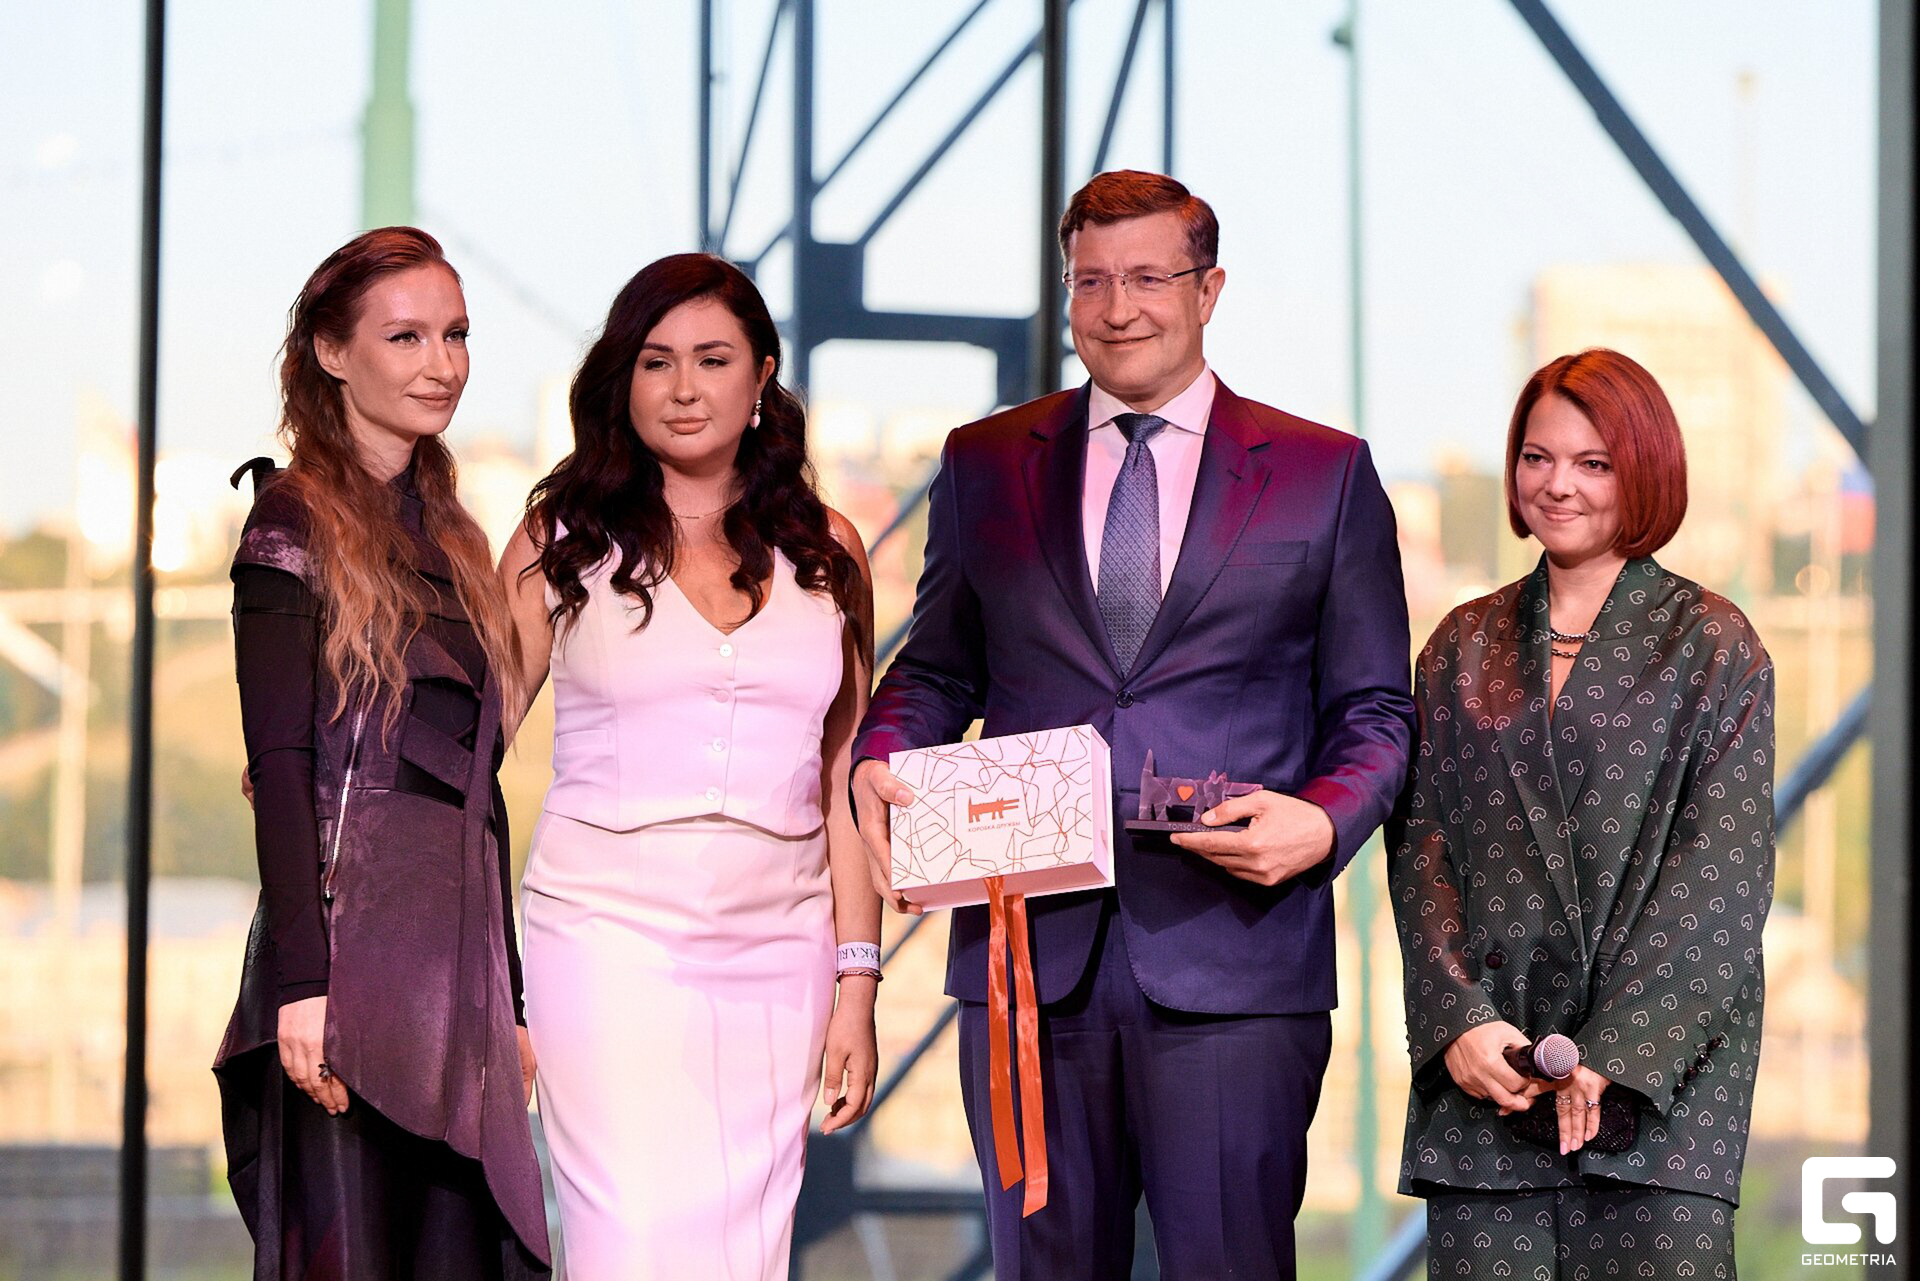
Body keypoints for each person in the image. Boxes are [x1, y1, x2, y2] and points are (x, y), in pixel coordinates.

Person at [850, 170, 1415, 1278]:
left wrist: (1321, 822)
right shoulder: (983, 462)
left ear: (1209, 289)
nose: (1118, 309)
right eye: (1091, 282)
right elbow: (939, 670)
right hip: (1026, 958)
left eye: (1149, 278)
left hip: (1237, 957)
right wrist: (882, 752)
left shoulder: (1325, 473)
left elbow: (1374, 710)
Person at [498, 253, 881, 1281]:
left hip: (781, 952)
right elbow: (465, 744)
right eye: (656, 360)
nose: (683, 387)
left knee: (745, 1252)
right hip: (601, 939)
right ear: (621, 381)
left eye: (712, 359)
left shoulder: (829, 550)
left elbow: (845, 780)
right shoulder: (557, 542)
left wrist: (857, 979)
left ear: (761, 378)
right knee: (627, 1242)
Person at [1388, 347, 1774, 1274]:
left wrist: (1615, 1051)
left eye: (1592, 463)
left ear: (1644, 472)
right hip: (1493, 1088)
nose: (1558, 484)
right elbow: (1420, 847)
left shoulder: (1714, 644)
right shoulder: (1460, 643)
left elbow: (1720, 880)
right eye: (1537, 457)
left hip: (1660, 1100)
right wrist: (1458, 1021)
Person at [213, 227, 550, 1280]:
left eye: (456, 334)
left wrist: (509, 1000)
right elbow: (280, 765)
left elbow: (479, 796)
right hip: (345, 973)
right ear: (331, 351)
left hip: (453, 983)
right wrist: (301, 987)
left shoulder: (457, 536)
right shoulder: (289, 521)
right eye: (406, 337)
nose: (441, 363)